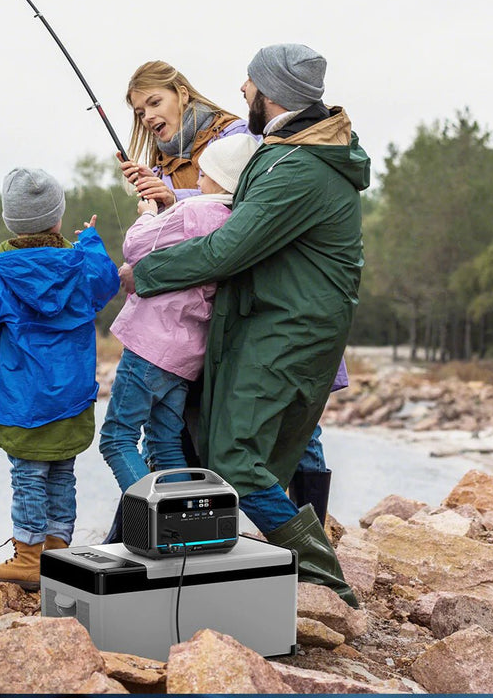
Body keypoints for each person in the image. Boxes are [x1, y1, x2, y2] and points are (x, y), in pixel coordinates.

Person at [122, 44, 369, 607]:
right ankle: (233, 569)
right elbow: (233, 213)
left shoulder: (298, 167)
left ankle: (326, 582)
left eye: (250, 82)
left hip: (289, 329)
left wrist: (145, 273)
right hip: (279, 323)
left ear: (272, 91)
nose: (240, 90)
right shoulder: (289, 153)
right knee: (233, 448)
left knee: (236, 458)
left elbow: (227, 247)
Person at [0, 167, 120, 589]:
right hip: (72, 396)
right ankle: (58, 552)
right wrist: (92, 242)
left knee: (27, 475)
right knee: (62, 472)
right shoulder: (81, 264)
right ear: (58, 218)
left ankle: (28, 557)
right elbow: (107, 281)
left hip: (21, 400)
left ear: (10, 222)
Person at [100, 134, 260, 494]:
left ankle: (158, 521)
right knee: (165, 441)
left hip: (149, 348)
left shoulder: (194, 210)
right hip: (187, 356)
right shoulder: (235, 223)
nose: (198, 181)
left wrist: (149, 214)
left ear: (220, 177)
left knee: (116, 438)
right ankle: (187, 531)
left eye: (204, 174)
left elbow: (135, 246)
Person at [119, 60, 252, 209]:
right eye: (141, 113)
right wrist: (157, 201)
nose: (148, 117)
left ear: (183, 94)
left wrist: (175, 197)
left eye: (155, 103)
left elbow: (252, 199)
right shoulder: (159, 174)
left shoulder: (237, 136)